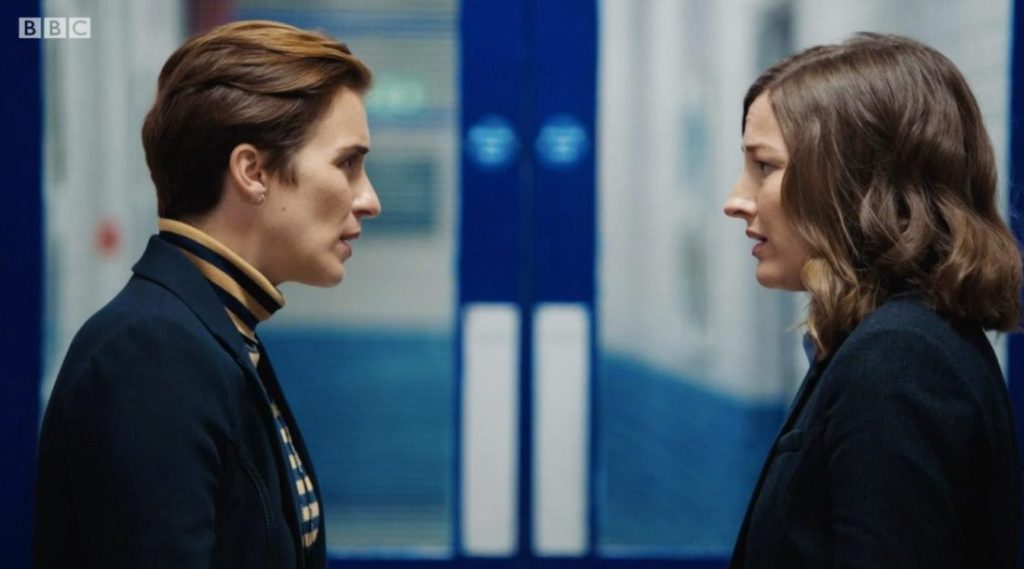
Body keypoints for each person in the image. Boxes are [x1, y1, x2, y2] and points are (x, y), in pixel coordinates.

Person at [33, 20, 381, 569]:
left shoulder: (214, 331)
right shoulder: (152, 353)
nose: (369, 200)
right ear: (253, 171)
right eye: (348, 164)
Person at [724, 33, 1022, 567]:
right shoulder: (887, 341)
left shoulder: (900, 359)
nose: (736, 200)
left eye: (764, 166)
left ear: (855, 180)